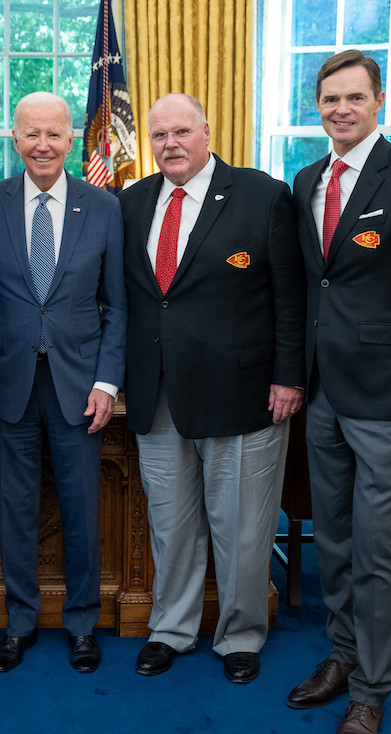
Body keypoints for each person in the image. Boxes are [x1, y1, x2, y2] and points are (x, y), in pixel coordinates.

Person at [286, 50, 391, 734]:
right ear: (318, 106)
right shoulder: (306, 182)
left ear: (379, 102)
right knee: (333, 538)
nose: (340, 109)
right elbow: (314, 286)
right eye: (330, 99)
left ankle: (371, 689)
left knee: (380, 547)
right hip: (325, 395)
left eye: (354, 97)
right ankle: (341, 654)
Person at [119, 93, 305, 684]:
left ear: (206, 131)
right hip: (158, 393)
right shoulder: (132, 202)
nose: (169, 144)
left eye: (180, 131)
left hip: (244, 391)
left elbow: (291, 298)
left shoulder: (263, 195)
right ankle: (171, 629)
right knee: (170, 523)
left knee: (243, 526)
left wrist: (289, 376)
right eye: (158, 135)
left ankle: (242, 633)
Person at [0, 92, 126, 675]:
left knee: (82, 509)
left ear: (72, 139)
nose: (43, 145)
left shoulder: (103, 207)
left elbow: (117, 306)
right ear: (14, 137)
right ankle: (20, 622)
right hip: (6, 385)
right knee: (14, 507)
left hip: (80, 387)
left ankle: (82, 625)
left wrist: (108, 381)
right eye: (31, 134)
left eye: (54, 134)